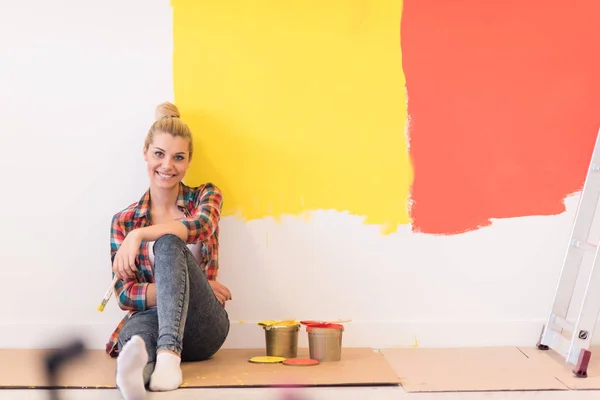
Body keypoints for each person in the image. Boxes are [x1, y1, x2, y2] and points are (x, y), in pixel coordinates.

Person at [105, 102, 232, 399]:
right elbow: (125, 294)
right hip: (152, 318)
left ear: (189, 161)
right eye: (159, 154)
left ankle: (169, 357)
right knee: (134, 338)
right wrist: (187, 284)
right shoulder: (123, 221)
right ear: (146, 153)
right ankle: (136, 379)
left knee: (168, 243)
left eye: (178, 157)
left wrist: (139, 235)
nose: (167, 166)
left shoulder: (206, 196)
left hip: (203, 327)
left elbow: (199, 226)